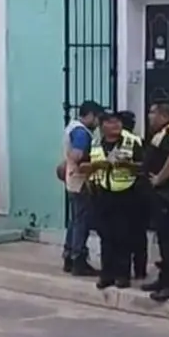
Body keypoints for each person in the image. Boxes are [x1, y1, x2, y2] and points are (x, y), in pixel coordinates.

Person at [87, 109, 145, 290]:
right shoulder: (96, 142)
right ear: (103, 125)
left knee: (124, 236)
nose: (115, 126)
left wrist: (127, 165)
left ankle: (123, 275)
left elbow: (144, 166)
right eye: (111, 122)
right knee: (106, 236)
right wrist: (96, 166)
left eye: (118, 122)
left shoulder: (132, 141)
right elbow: (84, 165)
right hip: (103, 193)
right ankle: (107, 274)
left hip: (127, 193)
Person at [140, 102, 169, 301]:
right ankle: (164, 279)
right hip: (162, 200)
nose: (149, 117)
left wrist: (159, 178)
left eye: (152, 113)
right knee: (164, 241)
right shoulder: (161, 135)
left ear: (162, 115)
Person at [61, 101, 104, 276]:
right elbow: (77, 155)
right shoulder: (81, 133)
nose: (98, 123)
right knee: (82, 222)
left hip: (72, 179)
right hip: (80, 181)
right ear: (91, 115)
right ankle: (79, 258)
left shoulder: (72, 127)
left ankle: (69, 255)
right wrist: (92, 164)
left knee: (75, 220)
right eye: (97, 118)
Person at [118, 110, 148, 279]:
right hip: (139, 193)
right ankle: (140, 270)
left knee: (124, 234)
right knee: (138, 234)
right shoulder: (139, 141)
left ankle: (124, 270)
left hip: (127, 192)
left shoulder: (121, 142)